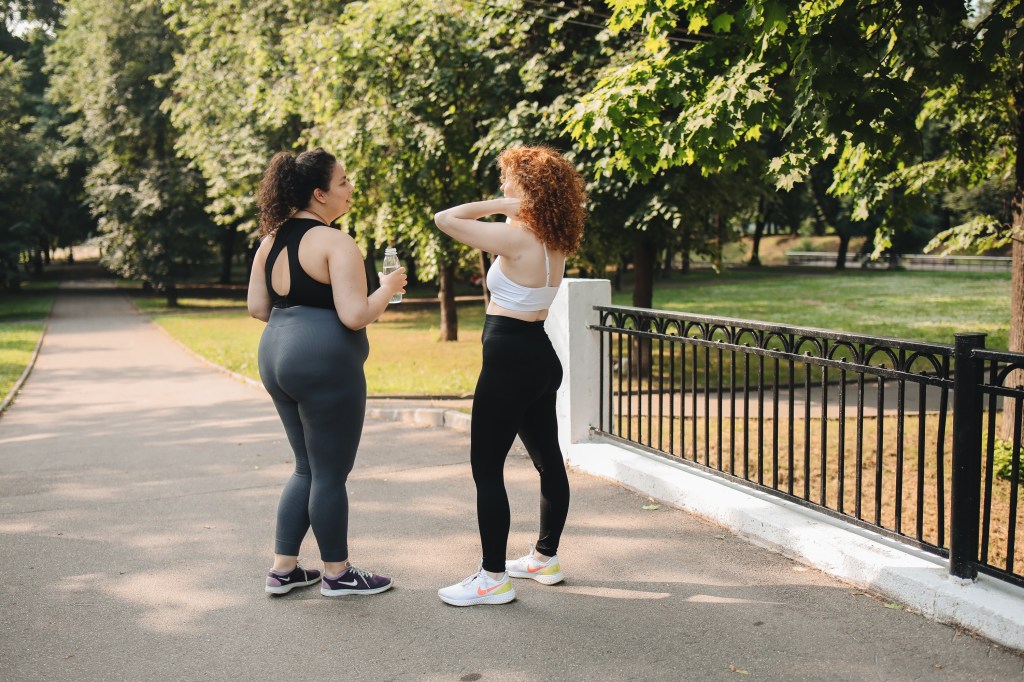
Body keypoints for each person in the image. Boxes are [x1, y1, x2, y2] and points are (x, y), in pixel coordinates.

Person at [247, 147, 407, 597]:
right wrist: (389, 287)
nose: (349, 188)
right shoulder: (337, 242)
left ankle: (284, 569)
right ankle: (337, 573)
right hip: (323, 361)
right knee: (330, 472)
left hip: (275, 354)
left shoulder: (270, 241)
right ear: (319, 194)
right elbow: (355, 314)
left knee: (306, 468)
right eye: (342, 182)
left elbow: (258, 307)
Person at [433, 145, 587, 606]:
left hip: (509, 360)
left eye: (510, 181)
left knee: (486, 467)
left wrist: (503, 207)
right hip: (539, 355)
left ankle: (492, 578)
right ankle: (544, 557)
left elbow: (446, 218)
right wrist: (513, 207)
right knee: (548, 462)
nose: (503, 187)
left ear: (530, 189)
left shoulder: (517, 235)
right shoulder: (553, 238)